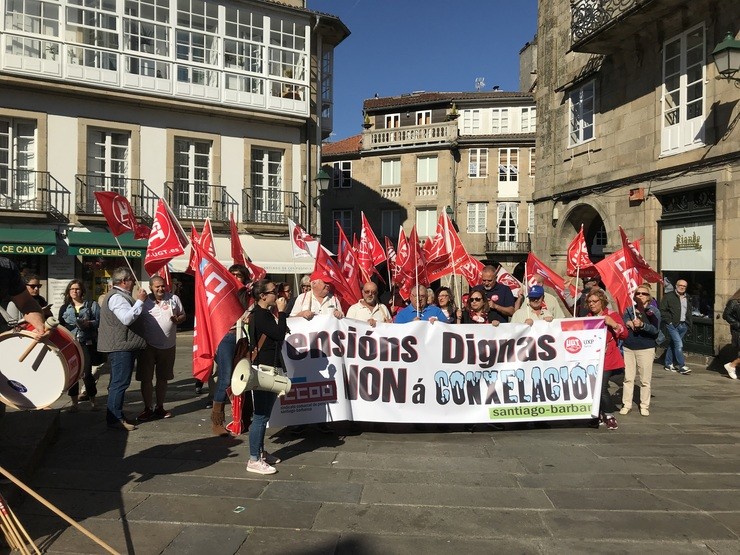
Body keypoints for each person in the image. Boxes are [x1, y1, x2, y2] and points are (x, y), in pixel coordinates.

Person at [97, 267, 148, 432]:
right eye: (132, 279)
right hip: (121, 346)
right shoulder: (117, 297)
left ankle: (116, 414)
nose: (134, 282)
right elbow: (127, 318)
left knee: (117, 382)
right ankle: (114, 418)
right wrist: (140, 301)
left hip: (121, 345)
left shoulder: (119, 296)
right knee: (119, 383)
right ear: (124, 281)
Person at [246, 279, 288, 475]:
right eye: (273, 291)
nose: (276, 295)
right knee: (260, 416)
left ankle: (260, 452)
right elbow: (279, 334)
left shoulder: (262, 314)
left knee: (264, 415)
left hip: (268, 367)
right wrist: (283, 313)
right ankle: (254, 459)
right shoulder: (261, 315)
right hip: (263, 369)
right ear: (263, 296)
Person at [135, 276, 186, 421]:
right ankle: (147, 408)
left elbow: (183, 314)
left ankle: (160, 407)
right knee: (146, 379)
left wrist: (179, 319)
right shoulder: (144, 301)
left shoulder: (173, 299)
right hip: (147, 346)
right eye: (157, 286)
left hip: (168, 346)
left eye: (162, 286)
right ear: (151, 287)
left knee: (163, 378)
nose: (160, 289)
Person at [211, 264, 251, 435]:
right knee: (225, 377)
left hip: (243, 337)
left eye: (239, 275)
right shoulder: (223, 293)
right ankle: (217, 420)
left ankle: (240, 416)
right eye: (232, 274)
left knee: (244, 377)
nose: (236, 277)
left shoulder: (248, 296)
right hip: (226, 337)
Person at [586, 289, 627, 431]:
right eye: (589, 302)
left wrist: (614, 324)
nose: (592, 304)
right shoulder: (588, 316)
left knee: (602, 387)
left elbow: (624, 334)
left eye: (595, 301)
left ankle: (609, 415)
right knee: (592, 388)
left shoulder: (611, 315)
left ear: (602, 301)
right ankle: (596, 414)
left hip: (607, 357)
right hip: (592, 358)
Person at [58, 279, 100, 412]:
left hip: (86, 342)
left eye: (77, 289)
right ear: (68, 292)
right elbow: (61, 325)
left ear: (82, 291)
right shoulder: (65, 308)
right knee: (73, 374)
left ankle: (93, 402)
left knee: (87, 374)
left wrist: (89, 324)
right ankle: (74, 404)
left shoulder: (91, 305)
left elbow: (99, 322)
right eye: (72, 289)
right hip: (71, 344)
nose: (74, 291)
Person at [620, 285, 661, 416]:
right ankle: (626, 404)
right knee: (628, 378)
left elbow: (656, 330)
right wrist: (628, 322)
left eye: (644, 293)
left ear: (648, 297)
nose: (641, 295)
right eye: (638, 293)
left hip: (646, 347)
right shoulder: (629, 310)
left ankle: (644, 405)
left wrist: (643, 325)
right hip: (629, 346)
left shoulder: (654, 311)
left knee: (645, 379)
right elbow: (623, 320)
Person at [659, 278, 693, 375]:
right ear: (676, 286)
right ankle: (682, 366)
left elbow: (689, 312)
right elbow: (662, 310)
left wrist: (688, 324)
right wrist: (669, 321)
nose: (682, 287)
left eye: (684, 286)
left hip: (683, 325)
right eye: (680, 285)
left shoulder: (688, 297)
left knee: (673, 344)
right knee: (679, 344)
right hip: (672, 325)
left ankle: (668, 363)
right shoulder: (669, 296)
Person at [722, 288, 740, 379]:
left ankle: (732, 366)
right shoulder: (734, 302)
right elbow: (726, 315)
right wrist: (737, 324)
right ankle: (732, 365)